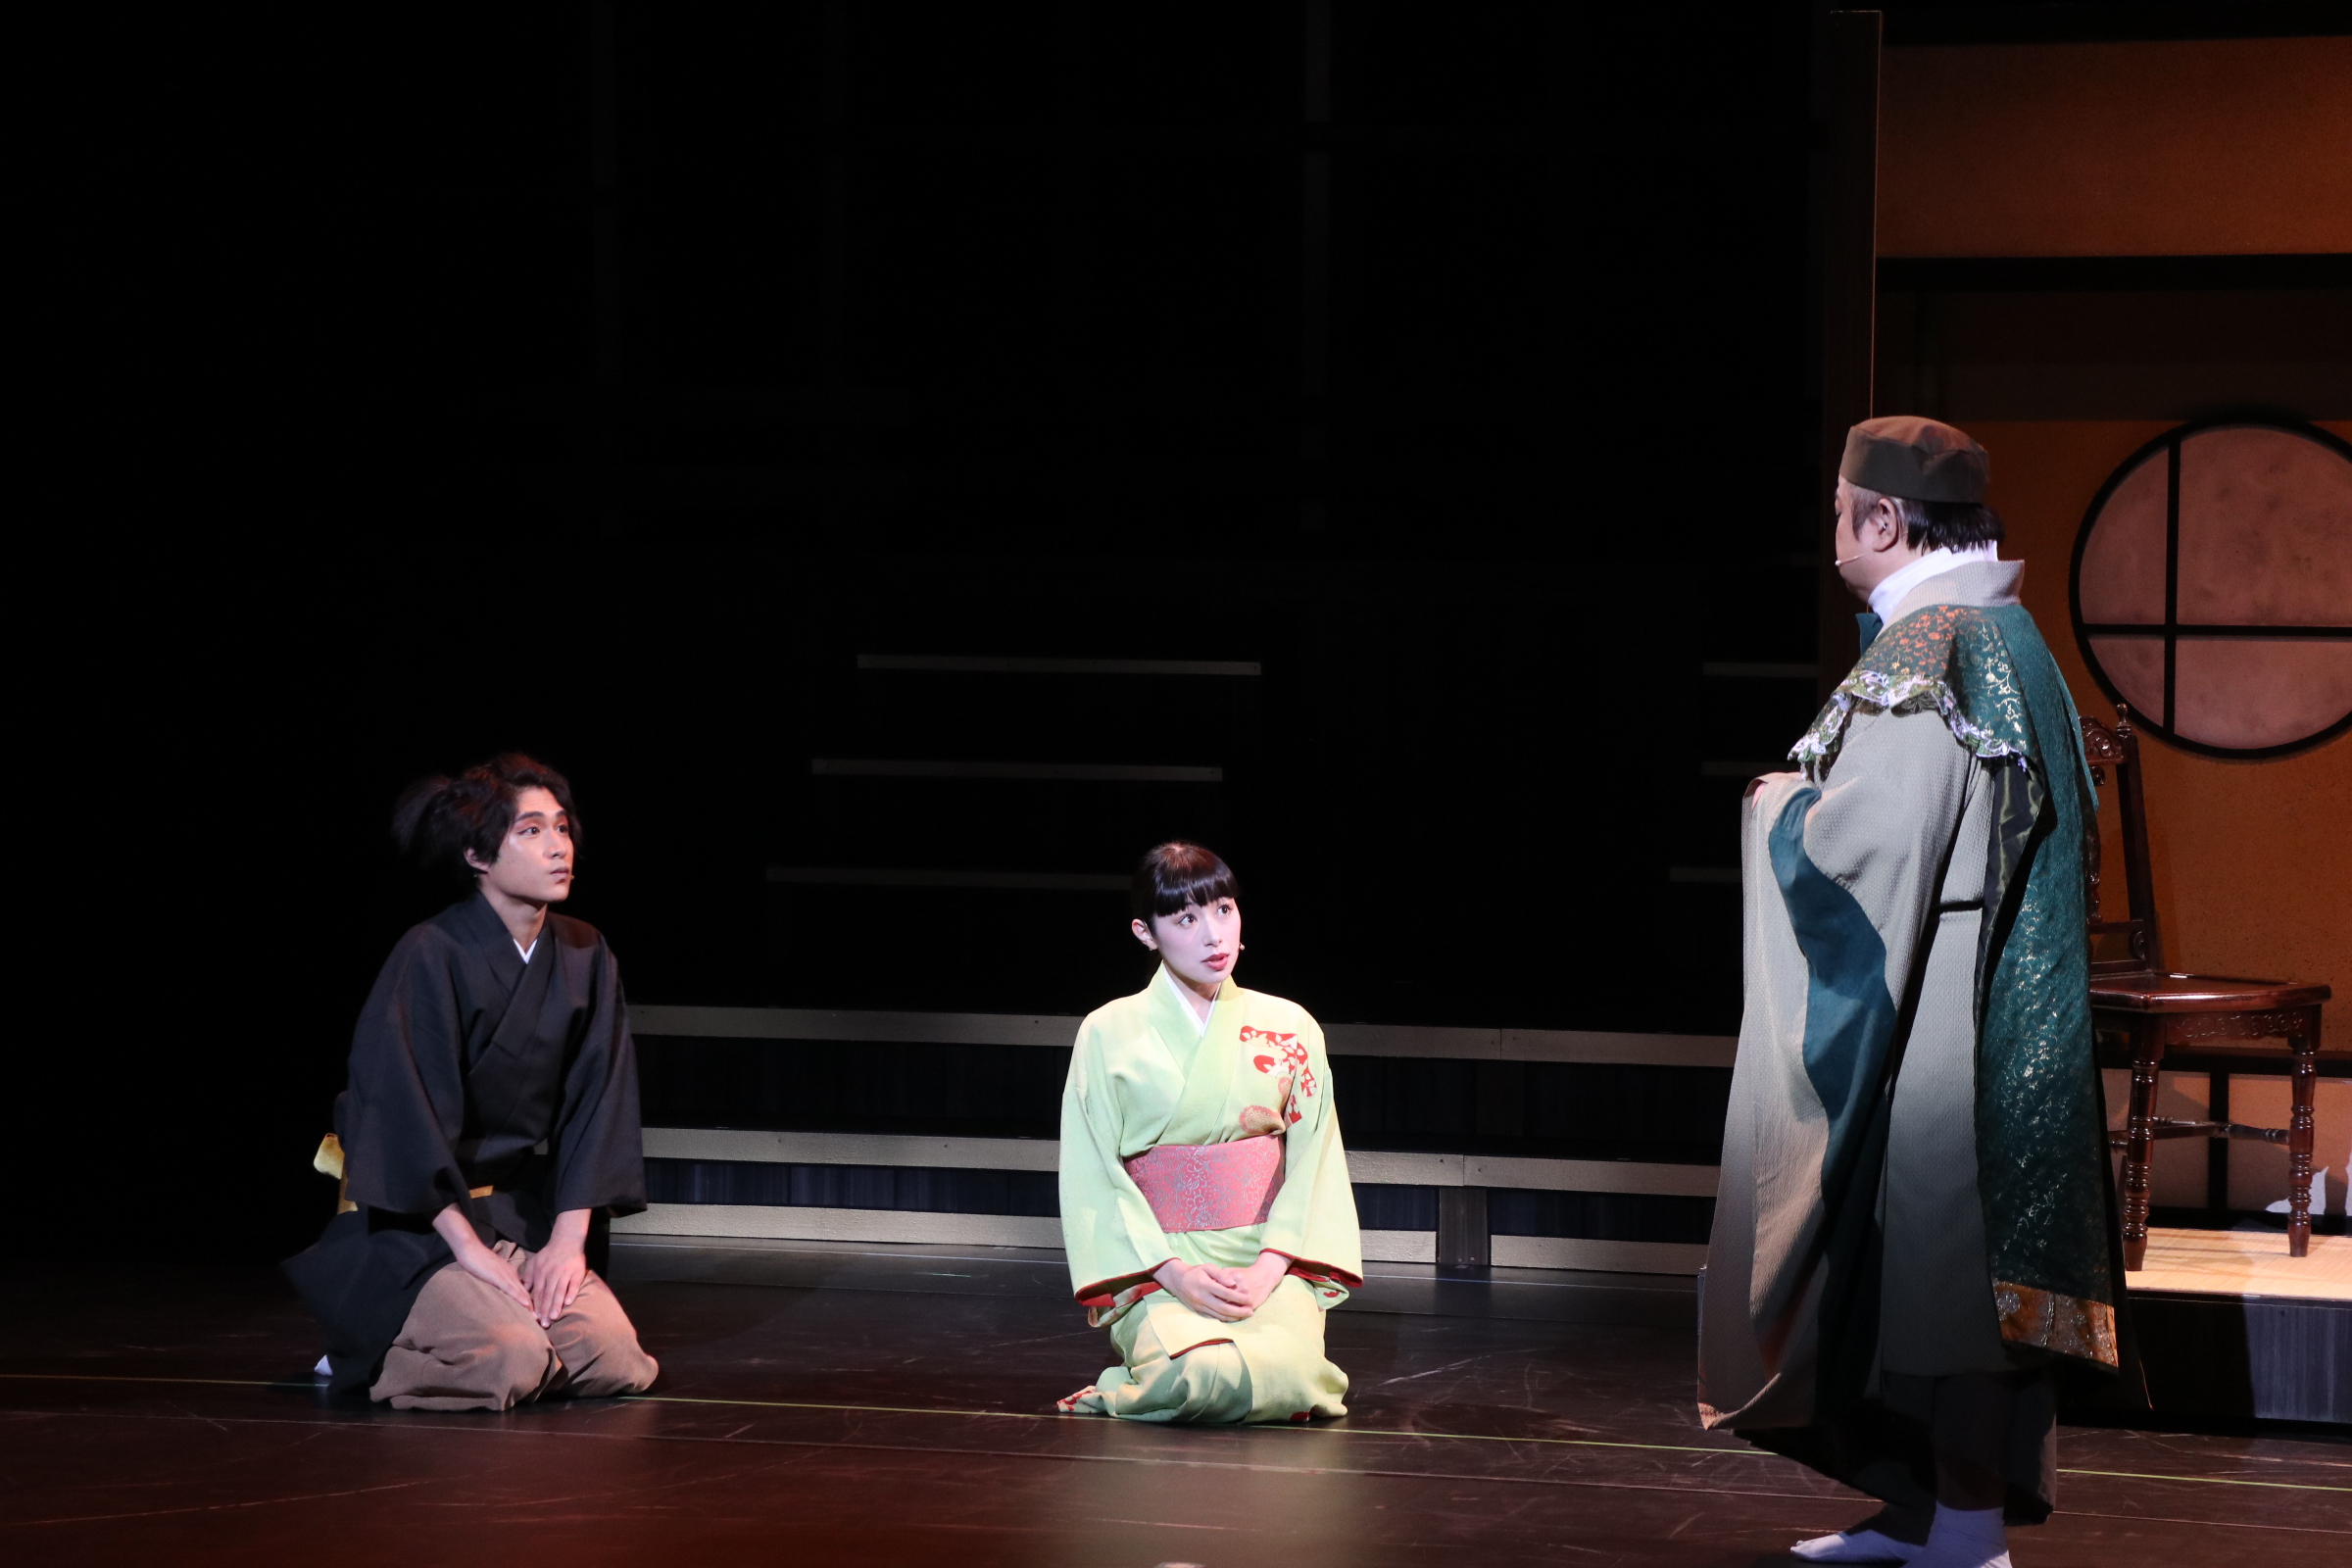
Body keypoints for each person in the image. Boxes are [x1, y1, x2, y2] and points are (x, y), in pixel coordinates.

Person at [1698, 418, 2125, 1568]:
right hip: (1993, 986)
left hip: (1945, 1001)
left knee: (1940, 1267)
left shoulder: (1930, 646)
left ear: (1884, 518)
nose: (1834, 532)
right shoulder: (2009, 634)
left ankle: (1968, 1528)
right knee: (1918, 1268)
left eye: (1842, 511)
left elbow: (1875, 843)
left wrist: (1778, 809)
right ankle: (1925, 1511)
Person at [284, 754, 659, 1410]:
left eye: (562, 827)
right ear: (479, 856)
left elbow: (600, 1103)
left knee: (616, 1359)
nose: (558, 847)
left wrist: (566, 1245)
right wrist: (468, 1250)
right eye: (531, 831)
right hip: (417, 1223)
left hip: (512, 1213)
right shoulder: (430, 953)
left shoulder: (585, 952)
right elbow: (398, 1114)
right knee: (512, 1358)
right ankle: (367, 1349)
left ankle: (480, 1328)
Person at [1055, 842, 1361, 1424]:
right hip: (1159, 1262)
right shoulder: (1107, 1032)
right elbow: (1094, 1171)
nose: (1213, 935)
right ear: (1146, 933)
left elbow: (1314, 1162)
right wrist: (1175, 1274)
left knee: (1292, 1378)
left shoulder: (1290, 1026)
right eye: (1186, 919)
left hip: (1265, 1256)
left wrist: (1270, 1268)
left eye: (1224, 910)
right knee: (1200, 1376)